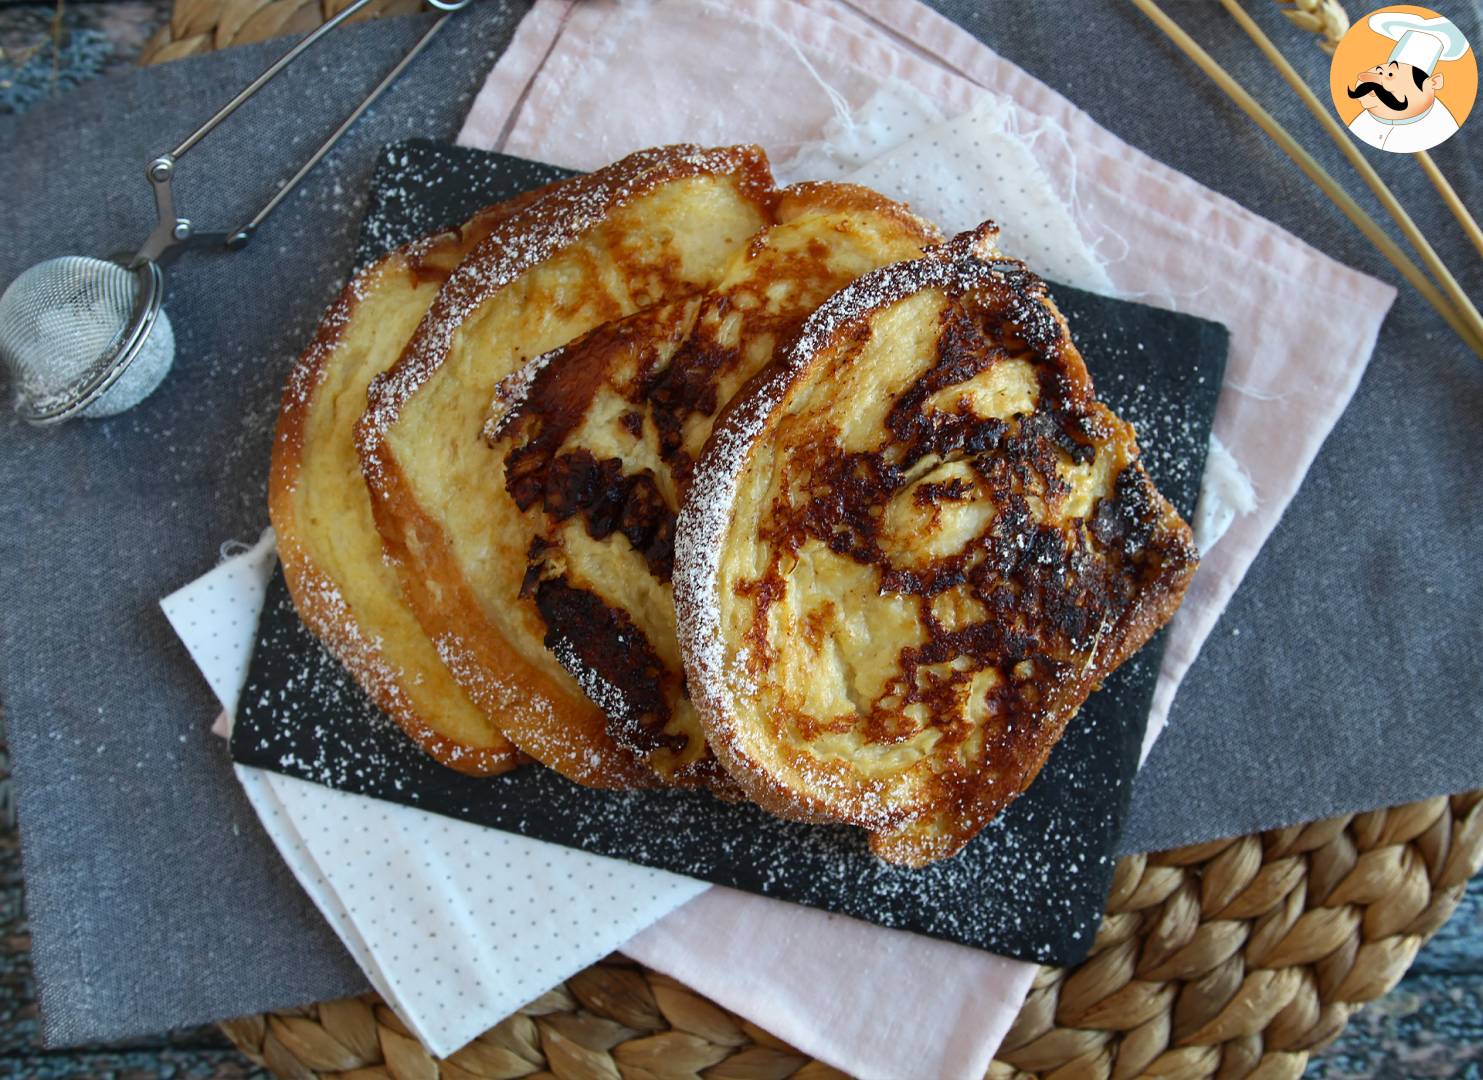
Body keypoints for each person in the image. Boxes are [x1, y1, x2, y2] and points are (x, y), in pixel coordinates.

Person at [1347, 11, 1470, 153]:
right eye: (1380, 71)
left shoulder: (1441, 125)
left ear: (1433, 83)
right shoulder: (1362, 120)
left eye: (1391, 75)